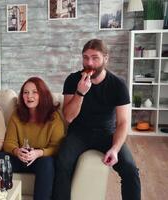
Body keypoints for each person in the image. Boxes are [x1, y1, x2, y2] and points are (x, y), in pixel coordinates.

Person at [53, 39, 141, 200]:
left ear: (105, 59)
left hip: (107, 134)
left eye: (95, 58)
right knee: (62, 163)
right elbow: (69, 117)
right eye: (85, 57)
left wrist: (114, 149)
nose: (89, 63)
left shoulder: (118, 85)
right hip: (79, 134)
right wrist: (80, 93)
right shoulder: (73, 80)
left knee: (130, 170)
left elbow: (123, 123)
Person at [2, 77, 65, 200]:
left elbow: (57, 147)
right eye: (25, 92)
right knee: (0, 159)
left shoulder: (54, 117)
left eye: (34, 92)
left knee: (47, 163)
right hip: (21, 156)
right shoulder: (17, 114)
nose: (29, 96)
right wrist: (17, 151)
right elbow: (9, 143)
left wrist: (38, 153)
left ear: (43, 94)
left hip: (40, 158)